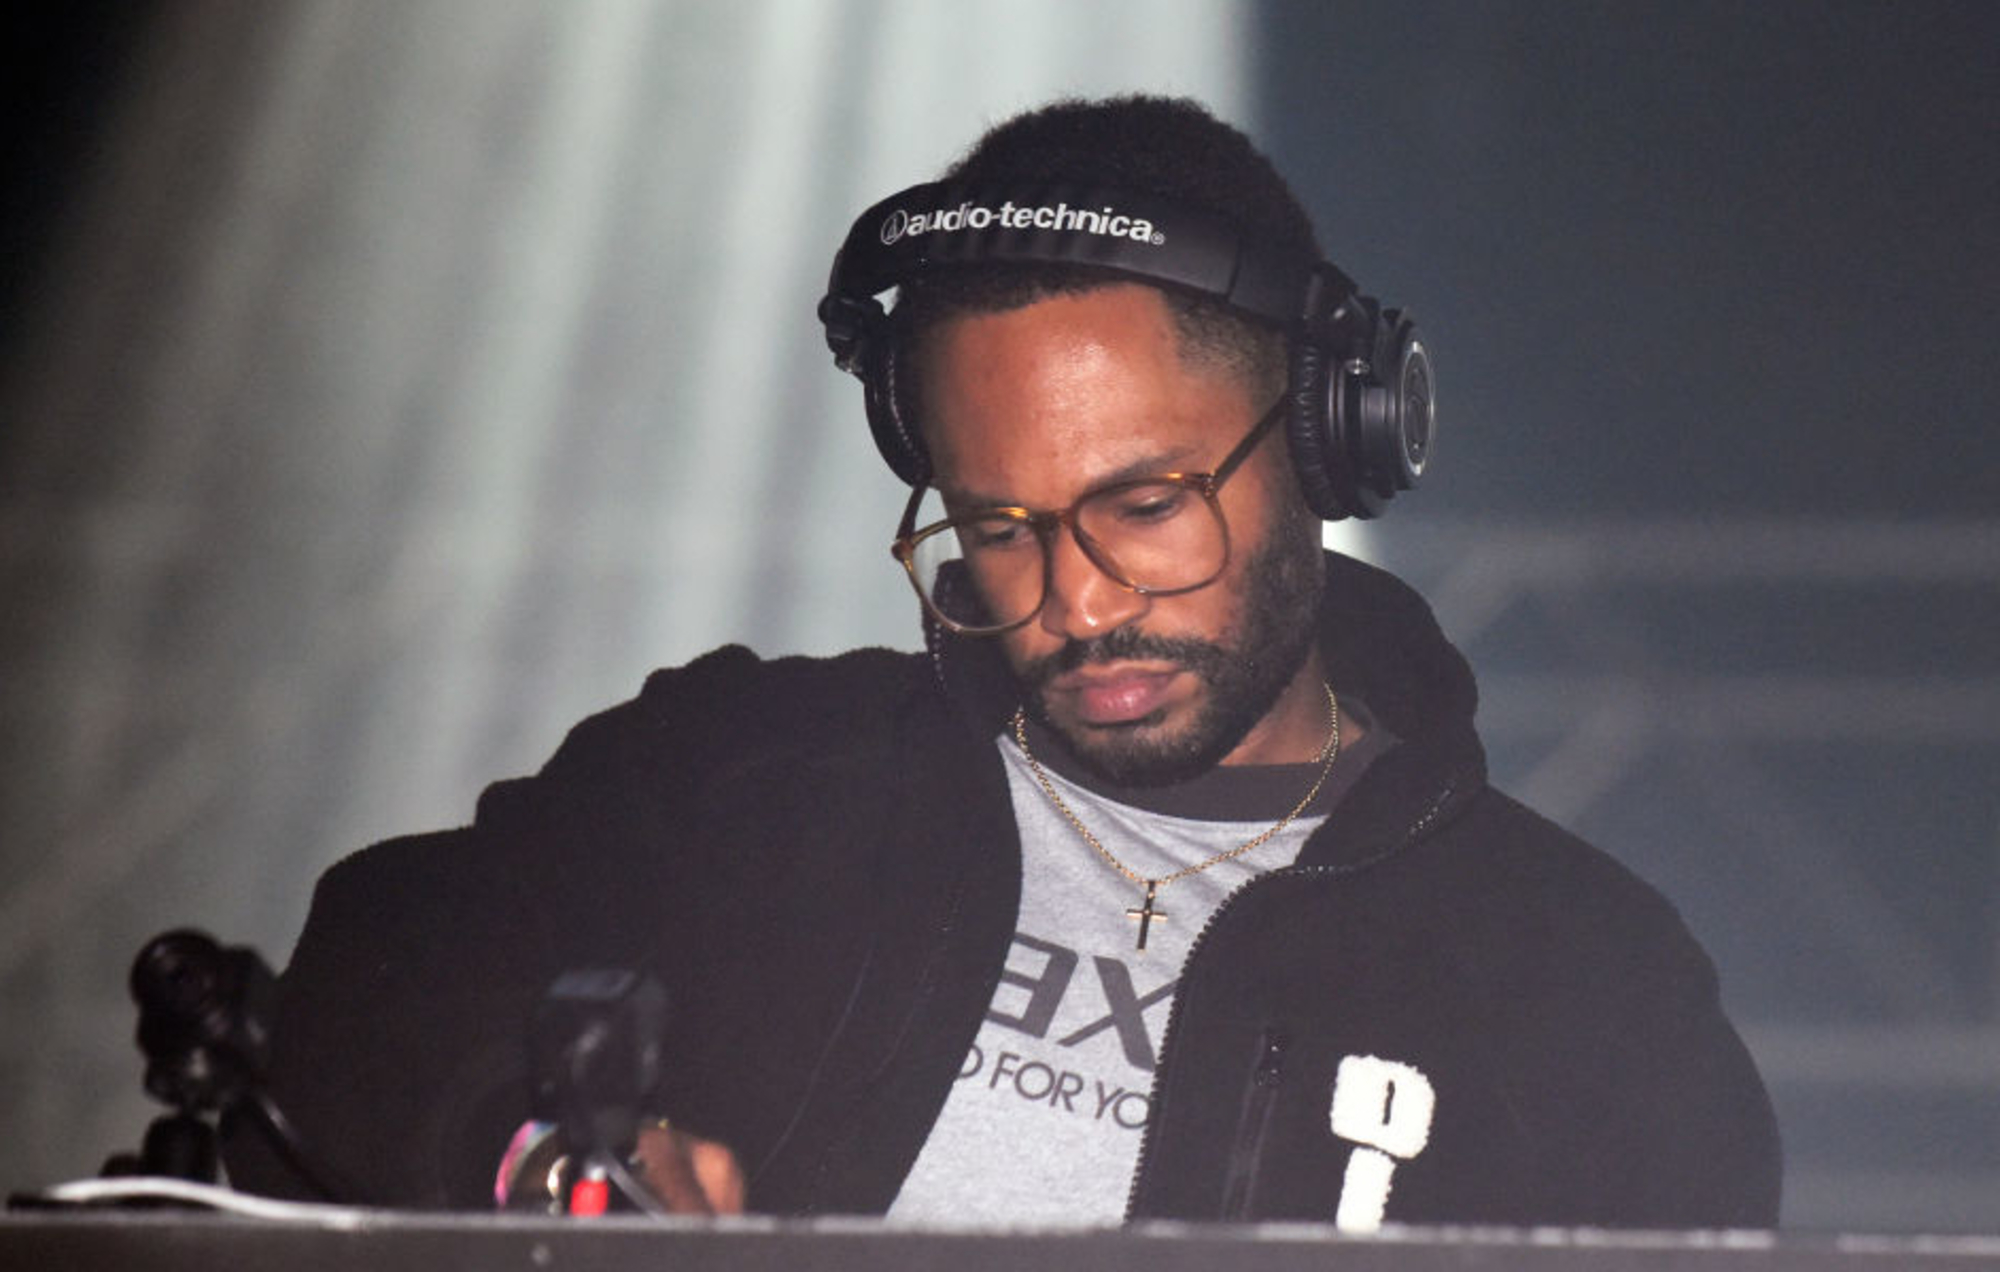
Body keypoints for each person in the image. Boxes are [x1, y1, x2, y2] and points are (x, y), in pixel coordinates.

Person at [221, 96, 1782, 1230]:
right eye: (999, 527)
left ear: (1327, 446)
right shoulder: (745, 765)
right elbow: (376, 966)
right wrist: (537, 1157)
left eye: (1146, 506)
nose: (1075, 605)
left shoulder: (1590, 986)